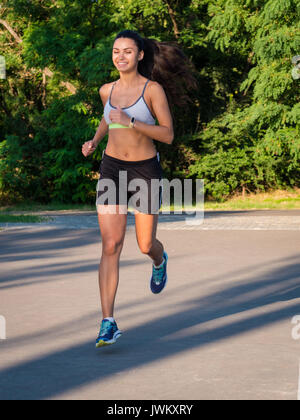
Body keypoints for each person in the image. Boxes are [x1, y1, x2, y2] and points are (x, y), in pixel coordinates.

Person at [82, 30, 197, 348]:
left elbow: (168, 134)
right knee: (110, 245)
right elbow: (108, 119)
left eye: (128, 51)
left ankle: (160, 261)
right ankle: (108, 322)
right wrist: (94, 141)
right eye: (116, 51)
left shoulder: (152, 90)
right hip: (111, 170)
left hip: (145, 172)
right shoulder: (106, 90)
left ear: (140, 55)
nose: (121, 56)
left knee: (145, 244)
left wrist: (131, 121)